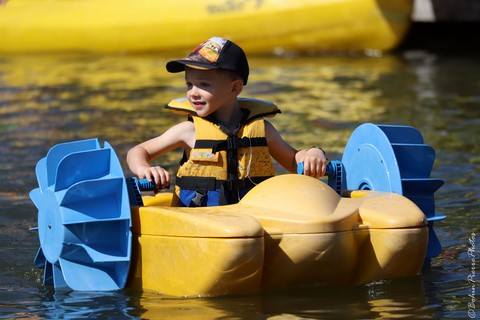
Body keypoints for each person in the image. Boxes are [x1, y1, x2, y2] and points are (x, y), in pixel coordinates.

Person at [127, 36, 327, 207]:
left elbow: (293, 162)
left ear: (234, 88)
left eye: (203, 84)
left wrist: (313, 153)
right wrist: (145, 169)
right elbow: (138, 152)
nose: (193, 93)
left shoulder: (262, 130)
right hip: (202, 221)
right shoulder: (188, 131)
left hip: (253, 217)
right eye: (189, 84)